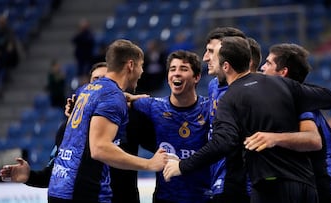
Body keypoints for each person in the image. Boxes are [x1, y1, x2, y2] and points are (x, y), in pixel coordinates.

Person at [163, 36, 331, 203]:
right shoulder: (282, 84)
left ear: (226, 66)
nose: (207, 59)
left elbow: (223, 142)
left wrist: (182, 166)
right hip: (306, 185)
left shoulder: (230, 98)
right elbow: (328, 98)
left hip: (270, 185)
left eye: (213, 57)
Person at [47, 39, 167, 202]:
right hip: (85, 192)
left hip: (60, 187)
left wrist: (126, 97)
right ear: (131, 65)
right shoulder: (112, 97)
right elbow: (100, 149)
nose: (141, 72)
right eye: (141, 65)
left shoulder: (86, 89)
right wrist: (149, 164)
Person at [0, 62, 109, 187]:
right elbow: (53, 174)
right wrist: (29, 177)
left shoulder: (127, 122)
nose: (100, 84)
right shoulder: (67, 128)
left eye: (105, 79)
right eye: (96, 79)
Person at [259, 43, 331, 203]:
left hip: (320, 192)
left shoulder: (301, 104)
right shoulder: (303, 100)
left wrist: (273, 138)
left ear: (283, 72)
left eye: (269, 63)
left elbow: (313, 141)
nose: (262, 68)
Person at [131, 50, 211, 203]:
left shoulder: (209, 109)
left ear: (197, 77)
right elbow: (114, 101)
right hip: (165, 198)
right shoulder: (153, 106)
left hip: (203, 197)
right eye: (173, 69)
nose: (177, 73)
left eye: (184, 69)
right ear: (168, 78)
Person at [203, 27, 262, 203]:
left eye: (211, 51)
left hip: (243, 183)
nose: (205, 57)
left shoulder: (254, 89)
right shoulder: (213, 86)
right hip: (217, 178)